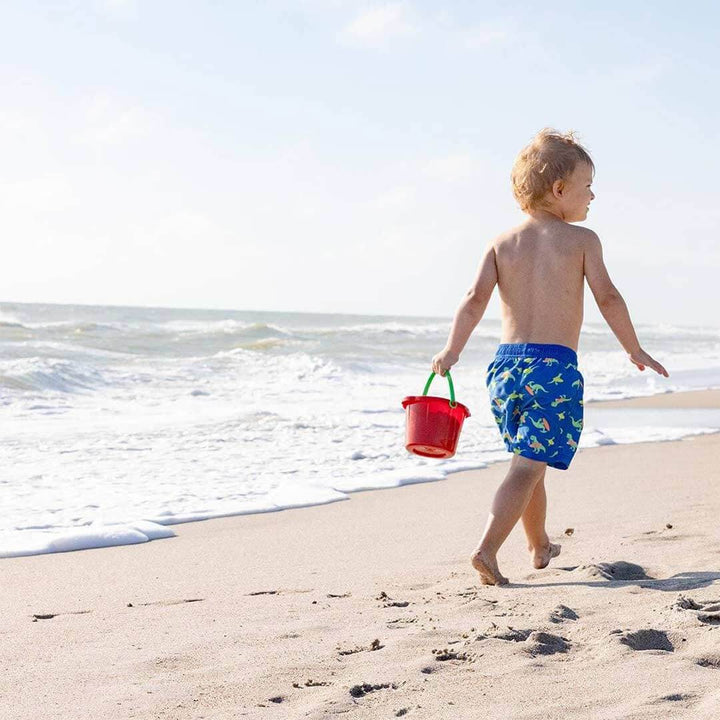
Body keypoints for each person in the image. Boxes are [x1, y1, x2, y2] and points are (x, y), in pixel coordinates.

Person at [431, 128, 669, 586]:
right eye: (588, 186)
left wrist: (451, 350)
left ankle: (539, 544)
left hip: (505, 368)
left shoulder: (501, 242)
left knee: (530, 459)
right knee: (526, 465)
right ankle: (486, 549)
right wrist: (634, 348)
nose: (593, 195)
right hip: (552, 368)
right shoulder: (582, 240)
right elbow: (609, 298)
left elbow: (474, 299)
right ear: (559, 190)